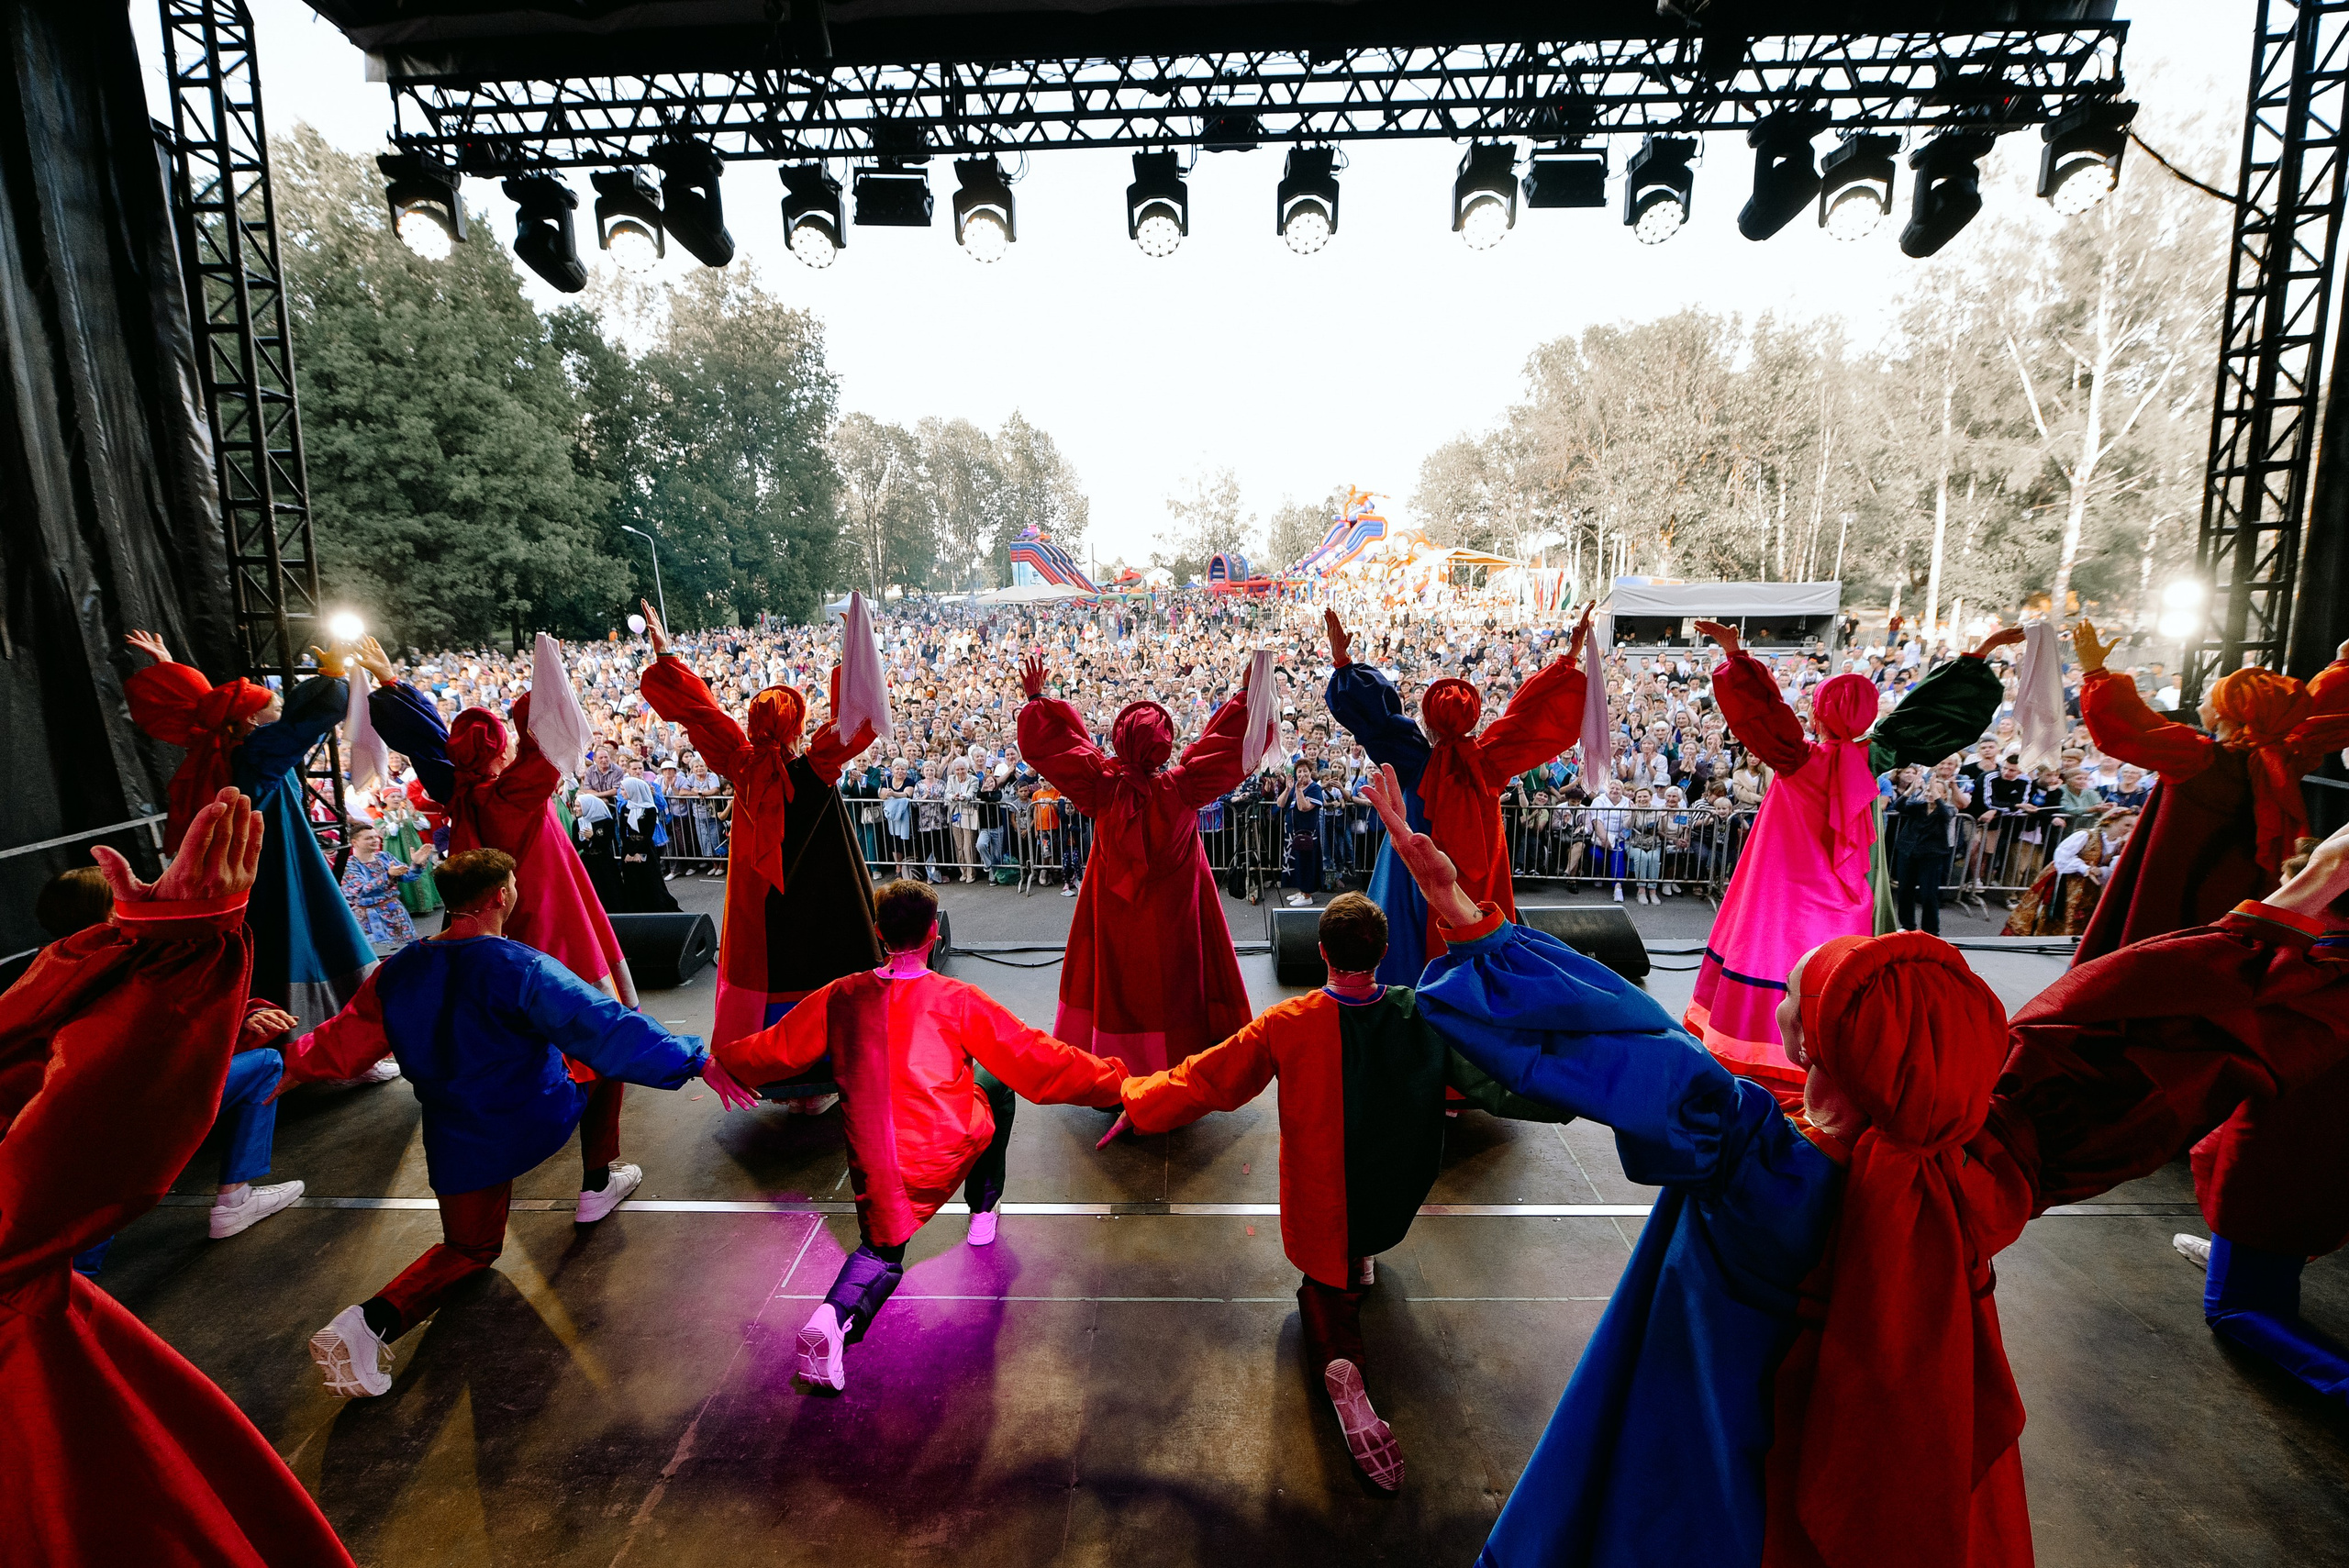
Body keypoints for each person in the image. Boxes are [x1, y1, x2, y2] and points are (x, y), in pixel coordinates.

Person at [1408, 796, 2349, 1568]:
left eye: (1795, 994)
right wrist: (2284, 915)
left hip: (1712, 1467)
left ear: (1812, 1046)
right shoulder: (1992, 1166)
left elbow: (1616, 1040)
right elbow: (2122, 1034)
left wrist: (1467, 919)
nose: (1781, 999)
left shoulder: (1748, 1157)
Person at [1103, 872, 1564, 1492]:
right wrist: (1583, 1092)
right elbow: (1496, 1076)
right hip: (1390, 1184)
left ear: (1321, 951)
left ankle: (1345, 1377)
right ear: (1385, 952)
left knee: (1326, 1289)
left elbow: (1208, 1077)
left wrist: (1139, 1101)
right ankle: (1361, 1261)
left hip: (1324, 1193)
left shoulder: (1289, 1021)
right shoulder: (1421, 1013)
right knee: (1363, 1232)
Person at [0, 786, 357, 1566]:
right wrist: (182, 962)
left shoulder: (60, 974)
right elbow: (72, 1111)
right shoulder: (90, 978)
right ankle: (235, 1191)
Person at [284, 849, 757, 1398]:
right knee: (603, 1063)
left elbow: (343, 1042)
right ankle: (598, 1181)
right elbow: (603, 1025)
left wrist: (281, 1068)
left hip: (455, 1137)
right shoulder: (521, 966)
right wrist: (695, 1059)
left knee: (470, 1249)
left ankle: (368, 1323)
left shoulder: (398, 969)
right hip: (531, 1117)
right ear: (501, 896)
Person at [714, 880, 1132, 1394]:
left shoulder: (839, 996)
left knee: (881, 1253)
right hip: (942, 1146)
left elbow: (775, 1047)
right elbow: (1038, 1058)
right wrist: (1120, 1084)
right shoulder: (957, 1000)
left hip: (876, 1161)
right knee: (998, 1084)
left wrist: (714, 1062)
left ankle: (831, 1319)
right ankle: (983, 1210)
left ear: (878, 933)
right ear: (934, 933)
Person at [1686, 619, 2013, 1103]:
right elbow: (1932, 714)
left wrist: (1736, 655)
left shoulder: (1793, 756)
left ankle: (1756, 1052)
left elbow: (1759, 712)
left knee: (1769, 956)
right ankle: (1834, 1057)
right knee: (1838, 971)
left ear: (1818, 714)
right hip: (1845, 891)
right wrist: (1978, 655)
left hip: (1782, 886)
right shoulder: (1877, 755)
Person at [637, 602, 883, 1070]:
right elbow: (858, 722)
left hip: (762, 901)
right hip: (820, 897)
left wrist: (667, 657)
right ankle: (829, 1062)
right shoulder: (817, 766)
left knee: (770, 968)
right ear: (798, 725)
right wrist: (852, 651)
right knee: (827, 962)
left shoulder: (740, 764)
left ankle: (768, 1062)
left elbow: (702, 714)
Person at [32, 863, 306, 1274]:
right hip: (142, 1110)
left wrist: (244, 1016)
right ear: (109, 912)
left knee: (84, 1240)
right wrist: (242, 1023)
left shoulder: (47, 968)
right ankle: (236, 1199)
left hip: (73, 1125)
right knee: (268, 1064)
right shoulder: (139, 961)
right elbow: (181, 1035)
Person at [362, 639, 639, 1006]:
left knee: (503, 988)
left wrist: (391, 683)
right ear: (498, 751)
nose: (513, 746)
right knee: (564, 987)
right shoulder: (514, 794)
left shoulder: (458, 788)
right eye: (507, 741)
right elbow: (547, 743)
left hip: (494, 910)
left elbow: (427, 741)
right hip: (545, 904)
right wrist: (539, 694)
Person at [1322, 606, 1590, 984]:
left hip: (1415, 877)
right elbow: (1531, 716)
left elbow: (1376, 719)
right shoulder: (1493, 759)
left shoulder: (1411, 757)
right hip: (1479, 884)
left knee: (1406, 926)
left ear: (1426, 721)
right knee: (1480, 929)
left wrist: (1343, 662)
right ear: (1474, 717)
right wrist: (1568, 658)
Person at [123, 631, 376, 1029]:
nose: (280, 709)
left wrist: (169, 669)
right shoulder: (257, 756)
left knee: (266, 940)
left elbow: (207, 707)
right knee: (299, 935)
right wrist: (330, 678)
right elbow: (306, 722)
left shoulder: (222, 750)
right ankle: (310, 1030)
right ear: (251, 720)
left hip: (246, 864)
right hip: (275, 862)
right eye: (272, 706)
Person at [1016, 651, 1253, 1073]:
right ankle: (1182, 1067)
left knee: (1117, 980)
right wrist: (1247, 696)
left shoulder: (1100, 786)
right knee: (1179, 981)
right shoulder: (1186, 786)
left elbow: (1054, 748)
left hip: (1116, 912)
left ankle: (1116, 1064)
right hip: (1176, 913)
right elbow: (1228, 746)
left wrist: (1037, 699)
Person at [2003, 806, 2135, 938]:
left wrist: (2101, 870)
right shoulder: (2086, 835)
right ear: (2111, 821)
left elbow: (2114, 868)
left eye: (2132, 826)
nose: (2129, 829)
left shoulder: (2120, 844)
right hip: (2067, 881)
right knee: (2061, 913)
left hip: (2090, 887)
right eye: (2126, 825)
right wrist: (2084, 868)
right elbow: (2063, 855)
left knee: (2083, 916)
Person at [1888, 768, 1956, 934]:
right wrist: (1912, 789)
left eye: (1934, 791)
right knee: (1905, 890)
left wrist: (1936, 793)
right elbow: (1899, 806)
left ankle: (1931, 930)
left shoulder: (1947, 809)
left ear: (1944, 795)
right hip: (1908, 851)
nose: (1930, 793)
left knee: (1928, 894)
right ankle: (1907, 925)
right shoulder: (1918, 806)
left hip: (1931, 855)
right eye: (1928, 790)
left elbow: (1946, 815)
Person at [339, 822, 419, 951]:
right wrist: (388, 875)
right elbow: (361, 890)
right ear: (354, 842)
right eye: (369, 838)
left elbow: (407, 876)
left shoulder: (384, 856)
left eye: (376, 837)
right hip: (371, 917)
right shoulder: (348, 865)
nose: (375, 840)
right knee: (381, 953)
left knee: (408, 950)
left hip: (396, 911)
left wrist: (416, 864)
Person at [1276, 759, 1327, 907]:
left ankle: (1307, 895)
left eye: (1305, 771)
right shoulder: (1294, 787)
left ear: (1311, 772)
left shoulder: (1315, 789)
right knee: (1296, 862)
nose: (1302, 774)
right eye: (1299, 771)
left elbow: (1303, 807)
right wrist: (1288, 789)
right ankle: (1301, 890)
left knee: (1306, 862)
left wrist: (1298, 790)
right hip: (1293, 832)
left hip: (1308, 833)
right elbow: (1280, 803)